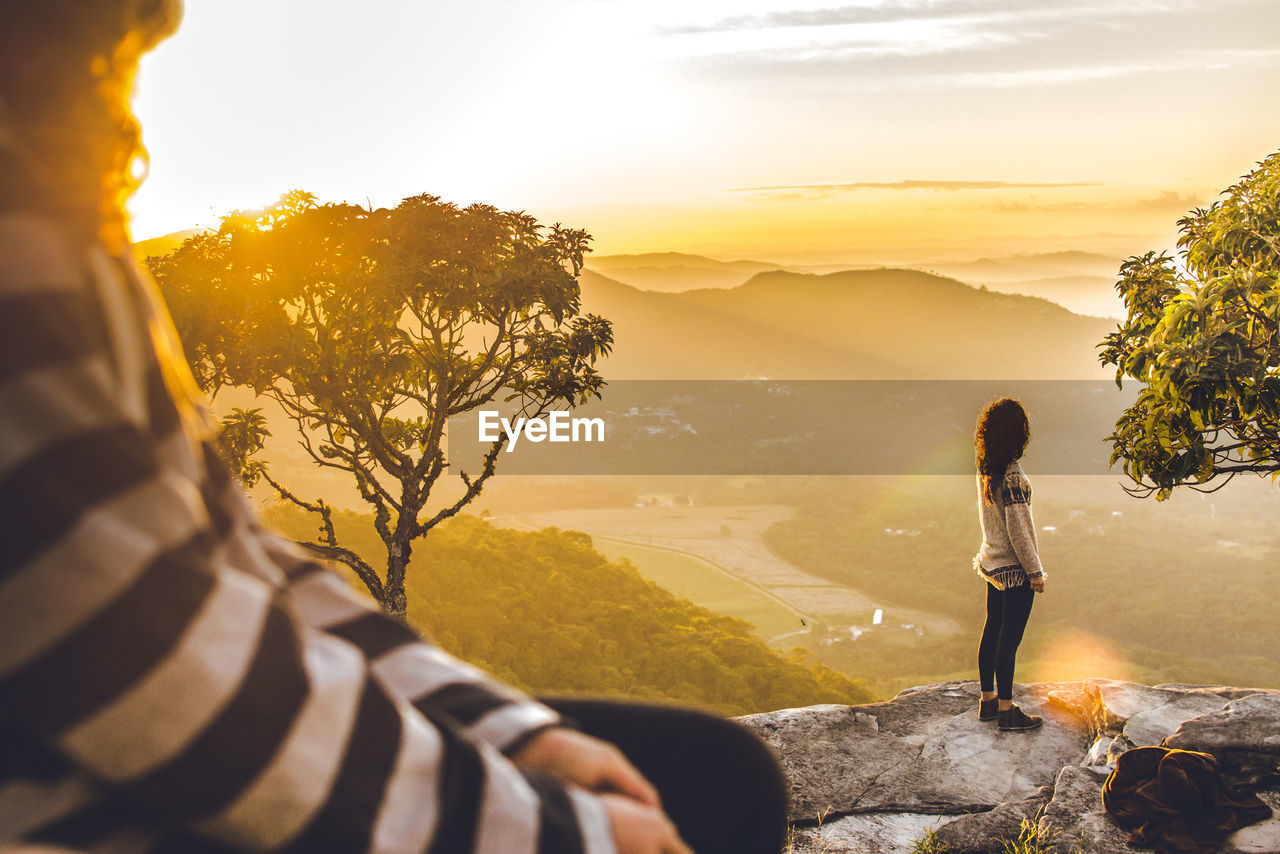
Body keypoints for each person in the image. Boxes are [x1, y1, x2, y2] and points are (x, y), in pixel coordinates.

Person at [0, 2, 788, 852]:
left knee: (712, 772)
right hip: (76, 801)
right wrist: (556, 834)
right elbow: (139, 665)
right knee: (706, 797)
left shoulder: (60, 207)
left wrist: (513, 732)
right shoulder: (22, 248)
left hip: (158, 736)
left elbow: (236, 551)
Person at [972, 398, 1045, 732]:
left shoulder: (988, 468)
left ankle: (987, 701)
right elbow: (1019, 532)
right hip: (1014, 570)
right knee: (1009, 641)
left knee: (991, 633)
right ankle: (1006, 710)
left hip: (992, 563)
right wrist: (1035, 572)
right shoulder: (1013, 476)